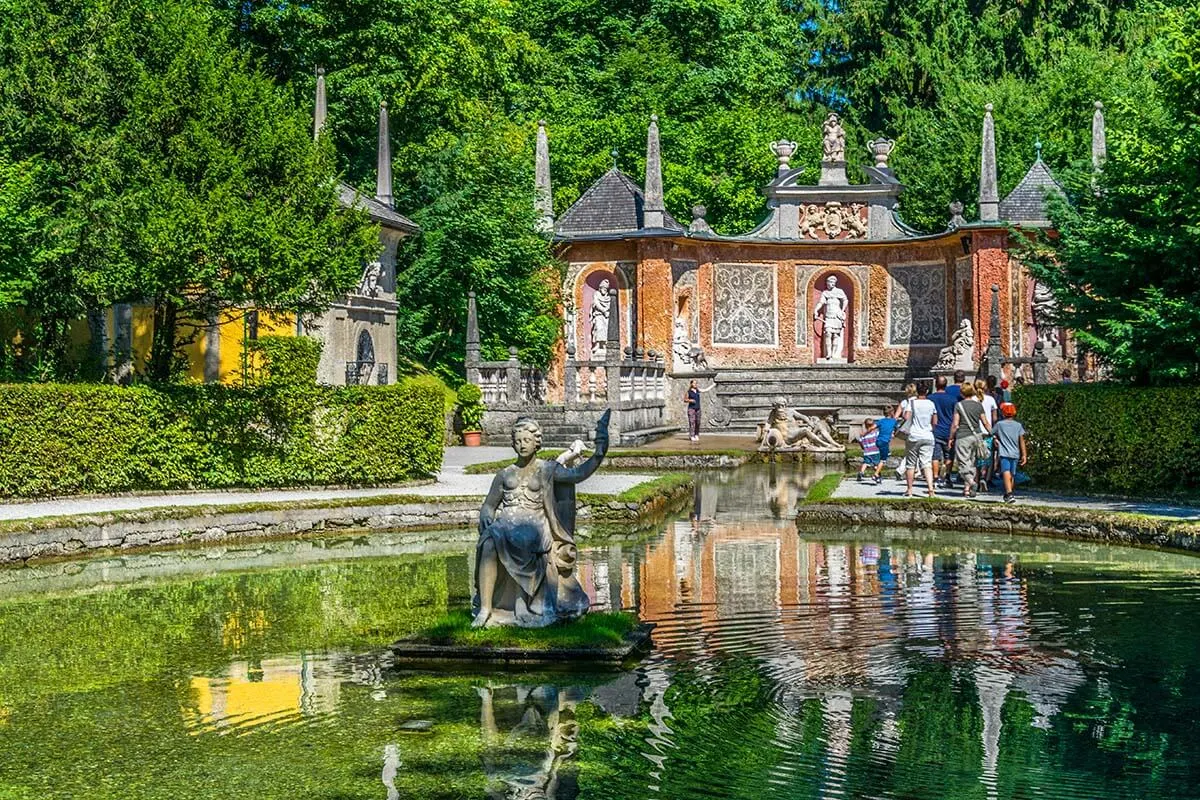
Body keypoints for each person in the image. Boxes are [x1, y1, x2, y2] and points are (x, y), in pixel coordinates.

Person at [473, 413, 610, 628]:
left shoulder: (547, 469)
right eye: (517, 441)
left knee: (524, 538)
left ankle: (521, 604)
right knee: (489, 542)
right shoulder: (504, 474)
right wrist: (486, 513)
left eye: (526, 440)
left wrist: (599, 452)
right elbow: (489, 504)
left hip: (535, 524)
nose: (521, 445)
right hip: (505, 524)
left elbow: (578, 474)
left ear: (537, 443)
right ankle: (485, 609)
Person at [949, 383, 992, 498]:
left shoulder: (959, 405)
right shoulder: (978, 405)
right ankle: (967, 489)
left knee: (963, 463)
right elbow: (985, 422)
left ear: (962, 393)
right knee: (972, 463)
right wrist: (992, 434)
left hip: (963, 436)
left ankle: (972, 483)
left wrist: (951, 437)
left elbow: (955, 424)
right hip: (976, 436)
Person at [903, 383, 938, 498]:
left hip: (914, 435)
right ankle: (931, 489)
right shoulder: (931, 404)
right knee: (926, 463)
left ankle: (909, 489)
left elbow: (906, 417)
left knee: (911, 464)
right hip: (927, 435)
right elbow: (935, 421)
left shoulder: (912, 402)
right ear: (927, 391)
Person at [993, 403, 1027, 503]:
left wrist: (995, 438)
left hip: (1004, 453)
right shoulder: (1018, 425)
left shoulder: (999, 424)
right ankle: (1009, 492)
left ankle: (1009, 494)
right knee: (1012, 474)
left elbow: (991, 432)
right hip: (1015, 453)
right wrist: (1024, 454)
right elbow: (1022, 440)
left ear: (1003, 413)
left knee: (1005, 471)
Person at [930, 376, 959, 488]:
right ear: (946, 385)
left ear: (936, 385)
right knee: (949, 456)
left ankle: (936, 477)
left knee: (935, 456)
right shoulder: (952, 399)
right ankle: (947, 477)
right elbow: (955, 416)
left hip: (935, 430)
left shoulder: (930, 398)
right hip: (948, 430)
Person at [873, 404, 899, 484]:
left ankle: (878, 476)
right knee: (883, 460)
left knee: (878, 460)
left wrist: (865, 433)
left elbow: (873, 427)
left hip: (878, 441)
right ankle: (876, 474)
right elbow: (898, 429)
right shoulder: (894, 421)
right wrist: (894, 434)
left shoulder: (881, 421)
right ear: (892, 413)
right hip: (885, 442)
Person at [856, 418, 880, 483]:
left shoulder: (863, 435)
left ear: (865, 426)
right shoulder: (876, 434)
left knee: (865, 463)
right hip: (876, 451)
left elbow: (860, 442)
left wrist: (863, 447)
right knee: (876, 464)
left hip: (867, 452)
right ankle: (877, 475)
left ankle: (861, 472)